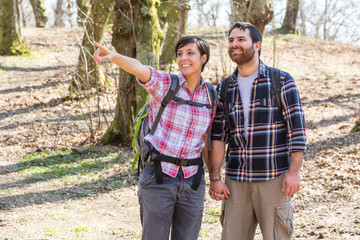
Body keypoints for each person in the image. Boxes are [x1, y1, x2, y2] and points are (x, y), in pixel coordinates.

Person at [93, 36, 216, 240]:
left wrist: (214, 179)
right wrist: (113, 57)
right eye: (179, 54)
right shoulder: (167, 84)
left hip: (193, 181)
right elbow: (140, 69)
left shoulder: (211, 95)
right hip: (159, 177)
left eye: (190, 53)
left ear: (203, 58)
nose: (183, 58)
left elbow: (204, 139)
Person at [208, 22, 307, 240]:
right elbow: (218, 138)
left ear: (257, 45)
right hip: (235, 182)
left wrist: (294, 172)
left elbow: (297, 132)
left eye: (241, 39)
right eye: (231, 40)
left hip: (273, 178)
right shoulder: (224, 89)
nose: (235, 44)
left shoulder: (281, 81)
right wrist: (215, 178)